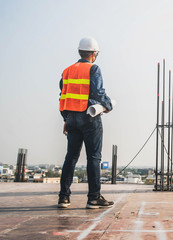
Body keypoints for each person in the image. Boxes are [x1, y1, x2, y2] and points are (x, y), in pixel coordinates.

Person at [58, 37, 114, 209]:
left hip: (71, 119)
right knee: (94, 158)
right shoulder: (93, 68)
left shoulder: (66, 71)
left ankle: (63, 198)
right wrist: (109, 105)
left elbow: (63, 95)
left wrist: (66, 119)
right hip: (89, 117)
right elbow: (98, 92)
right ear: (93, 54)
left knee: (71, 157)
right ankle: (93, 198)